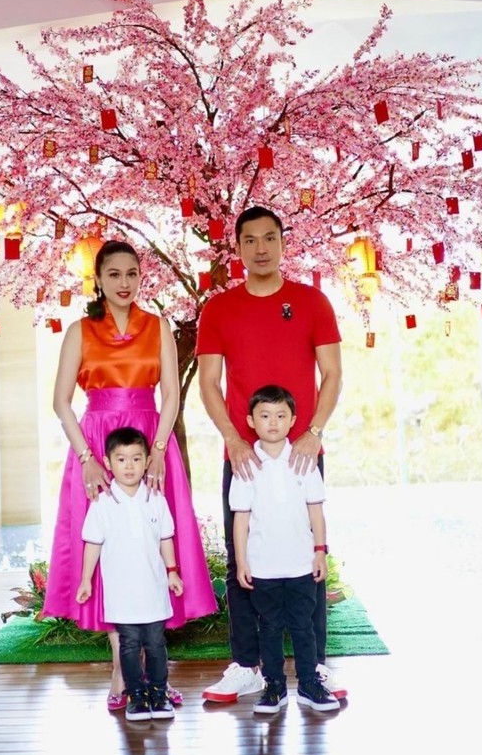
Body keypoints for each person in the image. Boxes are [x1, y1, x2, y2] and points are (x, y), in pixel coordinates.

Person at [42, 239, 216, 711]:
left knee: (156, 549)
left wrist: (159, 449)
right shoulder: (79, 330)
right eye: (114, 274)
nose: (124, 283)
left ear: (141, 278)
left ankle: (156, 675)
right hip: (96, 445)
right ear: (98, 279)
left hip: (151, 443)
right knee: (110, 552)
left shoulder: (157, 326)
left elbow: (171, 395)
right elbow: (61, 402)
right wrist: (86, 458)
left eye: (132, 274)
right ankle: (121, 674)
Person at [196, 205, 344, 703]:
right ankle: (246, 665)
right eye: (250, 240)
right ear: (236, 248)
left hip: (302, 453)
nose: (260, 248)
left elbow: (333, 375)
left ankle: (315, 668)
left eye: (269, 238)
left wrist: (315, 432)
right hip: (243, 459)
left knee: (308, 559)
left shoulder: (312, 302)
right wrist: (234, 439)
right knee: (245, 559)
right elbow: (210, 386)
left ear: (283, 243)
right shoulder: (218, 308)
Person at [231, 386, 339, 714]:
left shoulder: (304, 462)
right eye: (265, 416)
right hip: (263, 566)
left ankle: (309, 683)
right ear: (251, 421)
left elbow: (316, 511)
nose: (273, 423)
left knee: (303, 625)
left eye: (281, 416)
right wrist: (241, 562)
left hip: (301, 564)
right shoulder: (247, 465)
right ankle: (274, 686)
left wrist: (320, 551)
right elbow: (241, 519)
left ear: (293, 420)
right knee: (270, 627)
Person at [76, 427, 183, 721]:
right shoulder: (102, 504)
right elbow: (93, 544)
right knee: (129, 646)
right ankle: (135, 696)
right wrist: (86, 579)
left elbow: (166, 539)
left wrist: (172, 572)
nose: (129, 466)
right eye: (121, 459)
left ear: (148, 461)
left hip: (154, 591)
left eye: (136, 459)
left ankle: (159, 695)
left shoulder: (156, 499)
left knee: (157, 644)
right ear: (108, 464)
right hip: (121, 594)